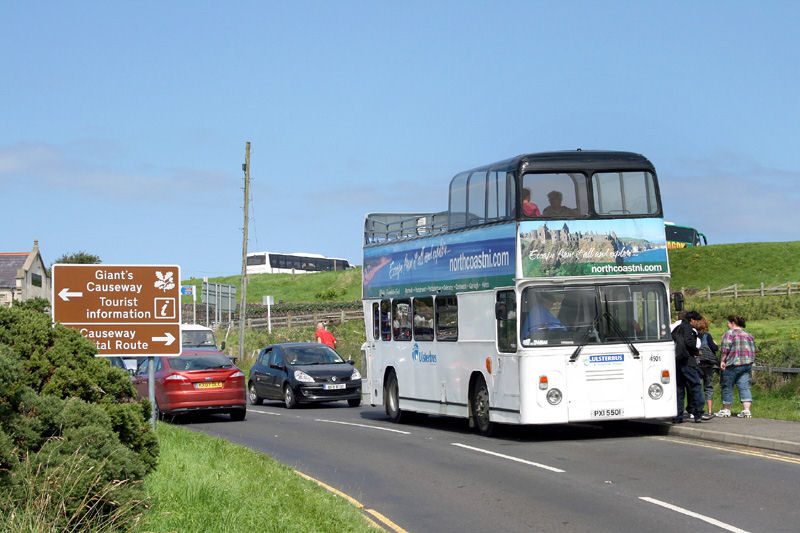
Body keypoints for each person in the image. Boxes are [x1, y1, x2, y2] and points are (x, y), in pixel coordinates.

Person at [716, 315, 756, 418]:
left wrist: (722, 361)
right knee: (744, 386)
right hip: (746, 364)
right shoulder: (748, 335)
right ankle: (746, 410)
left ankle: (726, 409)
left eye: (728, 323)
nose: (728, 325)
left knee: (727, 385)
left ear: (733, 323)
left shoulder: (729, 334)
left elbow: (725, 350)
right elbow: (753, 349)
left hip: (733, 363)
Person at [671, 310, 706, 423]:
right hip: (688, 361)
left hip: (677, 360)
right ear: (692, 320)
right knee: (695, 385)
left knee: (679, 389)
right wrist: (697, 352)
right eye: (697, 321)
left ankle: (678, 416)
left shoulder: (678, 328)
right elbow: (689, 343)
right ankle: (698, 412)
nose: (698, 323)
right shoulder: (689, 329)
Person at [694, 316, 719, 417]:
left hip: (698, 364)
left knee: (697, 386)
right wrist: (715, 344)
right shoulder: (707, 336)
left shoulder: (694, 336)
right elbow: (715, 348)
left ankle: (696, 409)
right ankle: (709, 410)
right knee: (708, 387)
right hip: (708, 365)